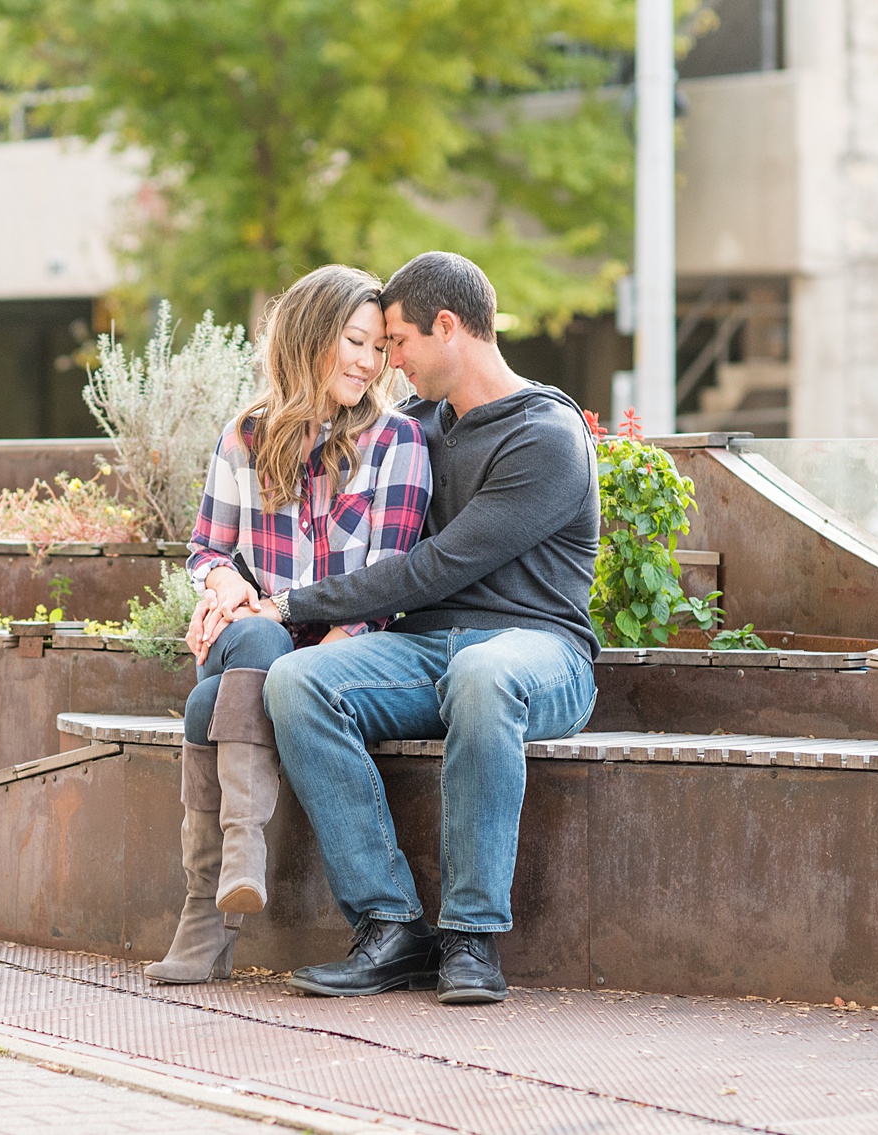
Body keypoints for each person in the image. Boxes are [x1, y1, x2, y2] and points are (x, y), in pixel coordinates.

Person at [194, 251, 600, 1004]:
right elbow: (294, 473)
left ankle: (471, 937)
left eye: (397, 343)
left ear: (448, 328)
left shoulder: (546, 434)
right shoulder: (417, 427)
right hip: (421, 650)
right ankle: (388, 924)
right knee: (298, 680)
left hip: (539, 651)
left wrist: (289, 606)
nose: (388, 362)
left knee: (483, 676)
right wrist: (223, 582)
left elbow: (435, 567)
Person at [145, 264, 433, 985]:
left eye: (378, 349)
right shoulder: (246, 434)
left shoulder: (398, 442)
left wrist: (306, 662)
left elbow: (379, 588)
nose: (369, 363)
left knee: (208, 702)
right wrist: (223, 582)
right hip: (257, 638)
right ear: (309, 337)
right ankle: (236, 863)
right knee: (258, 633)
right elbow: (207, 546)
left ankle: (209, 916)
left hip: (337, 653)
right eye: (354, 342)